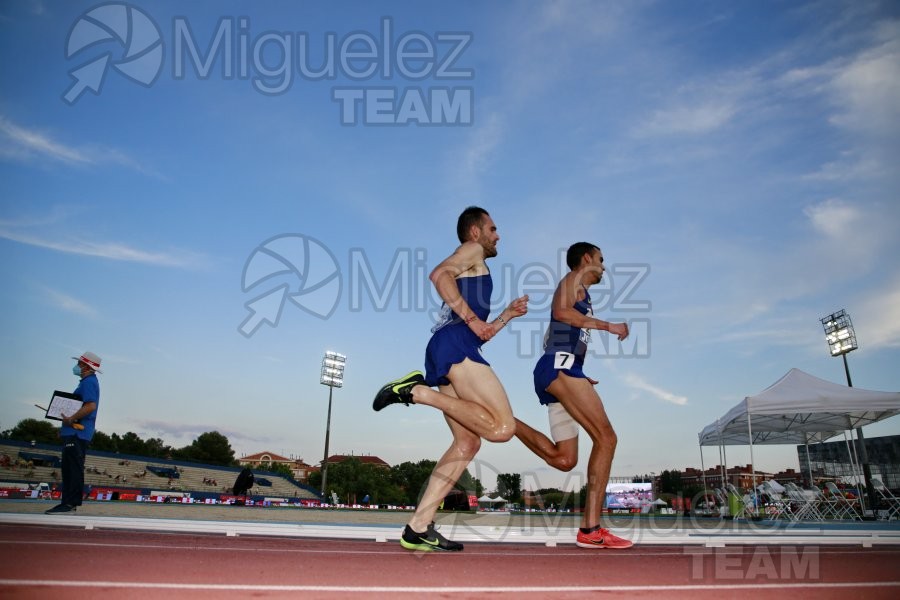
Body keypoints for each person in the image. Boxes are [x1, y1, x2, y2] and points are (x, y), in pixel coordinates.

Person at [373, 206, 528, 552]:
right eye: (492, 228)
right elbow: (439, 275)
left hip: (451, 347)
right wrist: (473, 320)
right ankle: (416, 393)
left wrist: (506, 315)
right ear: (475, 232)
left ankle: (418, 527)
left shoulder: (476, 268)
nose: (497, 235)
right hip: (455, 346)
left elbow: (482, 334)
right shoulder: (471, 251)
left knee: (467, 444)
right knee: (503, 429)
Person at [513, 242, 633, 549]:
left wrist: (577, 373)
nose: (604, 266)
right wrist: (608, 325)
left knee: (565, 459)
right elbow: (560, 312)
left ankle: (506, 420)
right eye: (601, 260)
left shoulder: (583, 292)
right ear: (586, 259)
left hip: (561, 369)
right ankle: (591, 528)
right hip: (559, 367)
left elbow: (556, 330)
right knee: (607, 439)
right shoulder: (574, 280)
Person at [46, 351, 102, 514]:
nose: (77, 366)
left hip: (79, 434)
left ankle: (70, 504)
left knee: (72, 469)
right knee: (69, 468)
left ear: (85, 366)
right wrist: (65, 427)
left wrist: (70, 419)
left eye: (79, 363)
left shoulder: (89, 382)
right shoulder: (86, 382)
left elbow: (90, 406)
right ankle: (68, 503)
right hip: (74, 432)